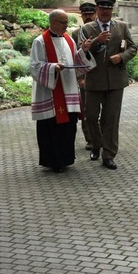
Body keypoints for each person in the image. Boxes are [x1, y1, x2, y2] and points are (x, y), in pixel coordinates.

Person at [30, 10, 96, 172]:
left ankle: (66, 159)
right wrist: (53, 67)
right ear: (53, 23)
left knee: (68, 128)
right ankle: (53, 161)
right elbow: (35, 66)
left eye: (67, 23)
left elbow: (75, 60)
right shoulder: (40, 42)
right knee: (51, 129)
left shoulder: (69, 40)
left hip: (68, 91)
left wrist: (84, 51)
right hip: (50, 93)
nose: (66, 26)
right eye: (63, 23)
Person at [78, 0, 138, 170]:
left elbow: (133, 47)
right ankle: (96, 144)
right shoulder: (87, 29)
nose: (105, 12)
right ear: (97, 9)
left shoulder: (121, 27)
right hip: (94, 80)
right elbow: (81, 52)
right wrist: (98, 40)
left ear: (112, 10)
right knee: (90, 117)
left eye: (108, 9)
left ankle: (108, 155)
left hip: (115, 81)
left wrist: (121, 57)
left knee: (111, 119)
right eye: (102, 8)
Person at [72, 2, 97, 150]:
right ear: (81, 15)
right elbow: (74, 56)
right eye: (85, 14)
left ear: (95, 14)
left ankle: (103, 138)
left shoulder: (100, 30)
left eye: (90, 14)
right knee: (88, 110)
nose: (88, 17)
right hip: (86, 77)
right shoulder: (76, 34)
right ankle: (90, 140)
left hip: (101, 75)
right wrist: (80, 78)